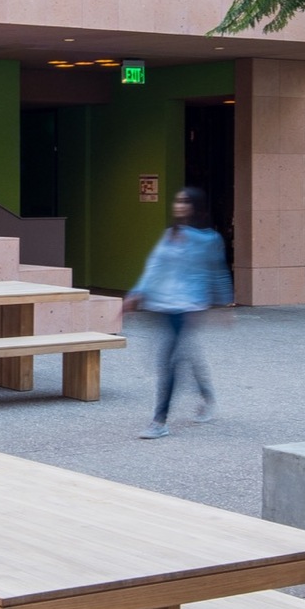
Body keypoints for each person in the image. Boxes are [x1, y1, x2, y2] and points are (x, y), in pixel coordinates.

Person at [128, 185, 233, 438]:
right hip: (163, 303)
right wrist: (137, 292)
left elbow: (217, 272)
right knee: (184, 355)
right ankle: (207, 394)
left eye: (185, 202)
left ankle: (159, 421)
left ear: (196, 207)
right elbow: (154, 266)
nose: (179, 205)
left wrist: (226, 303)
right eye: (177, 201)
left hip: (188, 306)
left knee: (169, 361)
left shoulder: (209, 239)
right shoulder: (170, 235)